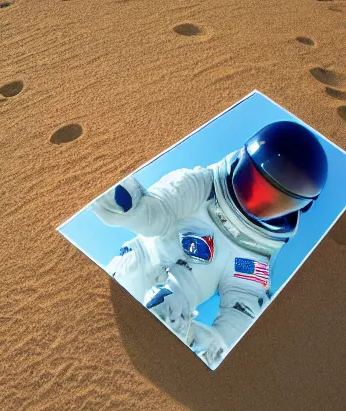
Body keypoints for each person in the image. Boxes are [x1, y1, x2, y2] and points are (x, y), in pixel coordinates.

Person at [91, 120, 328, 368]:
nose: (252, 203)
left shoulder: (256, 258)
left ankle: (169, 326)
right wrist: (128, 207)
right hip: (138, 261)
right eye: (252, 185)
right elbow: (158, 211)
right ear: (242, 159)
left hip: (178, 305)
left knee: (167, 317)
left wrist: (199, 339)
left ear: (299, 208)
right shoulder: (202, 185)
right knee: (119, 283)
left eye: (270, 201)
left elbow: (239, 315)